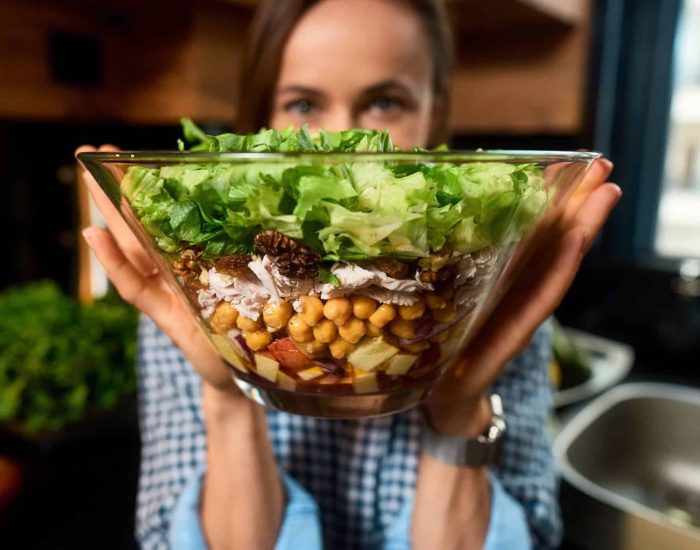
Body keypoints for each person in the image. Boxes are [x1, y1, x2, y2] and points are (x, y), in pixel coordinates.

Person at [77, 0, 620, 548]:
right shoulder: (197, 291)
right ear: (262, 121)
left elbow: (534, 529)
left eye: (385, 102)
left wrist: (459, 408)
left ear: (434, 114)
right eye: (304, 103)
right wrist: (227, 394)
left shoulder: (494, 289)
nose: (339, 144)